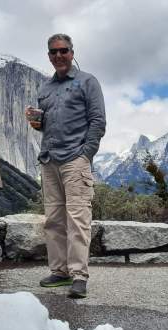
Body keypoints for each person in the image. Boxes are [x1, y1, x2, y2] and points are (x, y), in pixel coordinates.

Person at [25, 33, 106, 299]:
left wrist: (86, 155)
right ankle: (59, 271)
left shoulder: (88, 82)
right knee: (54, 220)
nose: (58, 56)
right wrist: (37, 123)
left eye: (63, 51)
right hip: (49, 161)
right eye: (53, 52)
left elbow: (97, 121)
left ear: (72, 52)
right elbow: (47, 126)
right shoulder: (45, 89)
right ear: (48, 56)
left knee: (78, 219)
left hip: (74, 161)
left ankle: (79, 276)